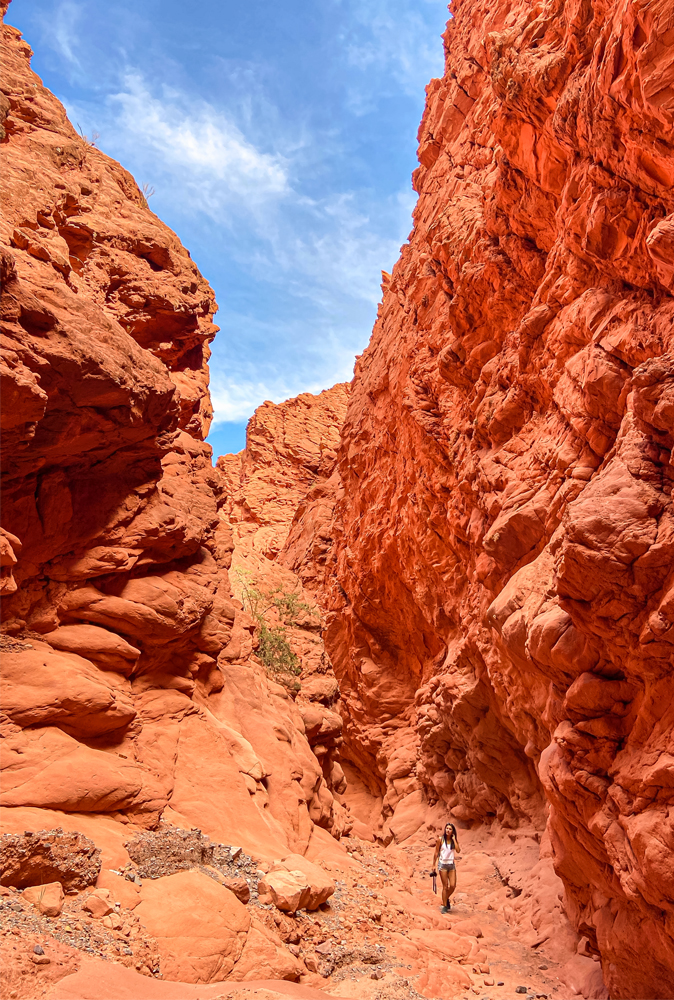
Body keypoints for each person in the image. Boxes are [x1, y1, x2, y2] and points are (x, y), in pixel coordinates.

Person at [432, 821, 461, 913]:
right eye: (447, 828)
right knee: (445, 886)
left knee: (452, 886)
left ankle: (446, 898)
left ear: (453, 831)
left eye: (450, 829)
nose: (448, 830)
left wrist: (454, 840)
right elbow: (436, 852)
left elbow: (458, 850)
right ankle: (445, 905)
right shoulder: (441, 840)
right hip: (443, 865)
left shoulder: (453, 841)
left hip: (451, 865)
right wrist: (433, 865)